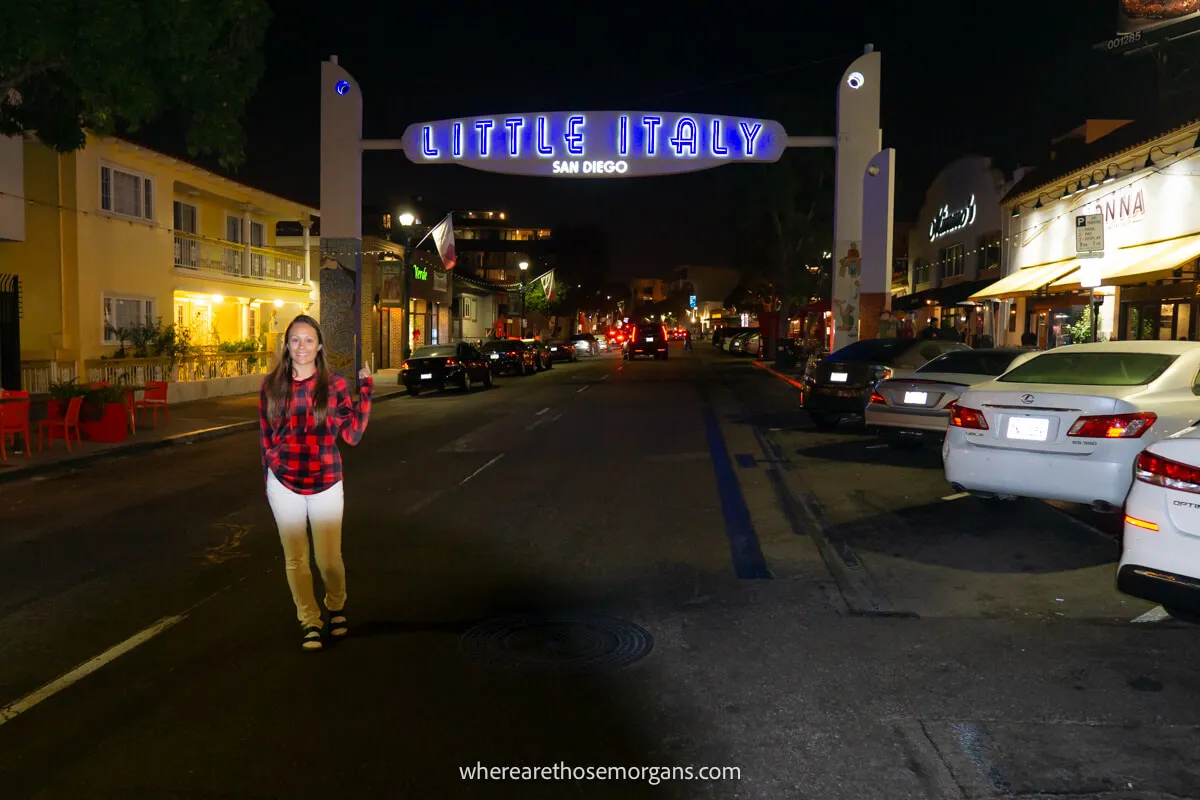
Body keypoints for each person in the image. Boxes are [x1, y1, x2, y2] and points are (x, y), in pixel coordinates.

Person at [259, 314, 373, 652]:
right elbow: (266, 435)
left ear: (319, 346)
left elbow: (351, 435)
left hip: (325, 481)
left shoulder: (334, 385)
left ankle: (336, 606)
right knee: (295, 559)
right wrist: (271, 468)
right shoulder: (270, 386)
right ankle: (309, 619)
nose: (302, 346)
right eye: (295, 340)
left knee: (328, 560)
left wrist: (365, 389)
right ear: (287, 346)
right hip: (283, 482)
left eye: (309, 340)